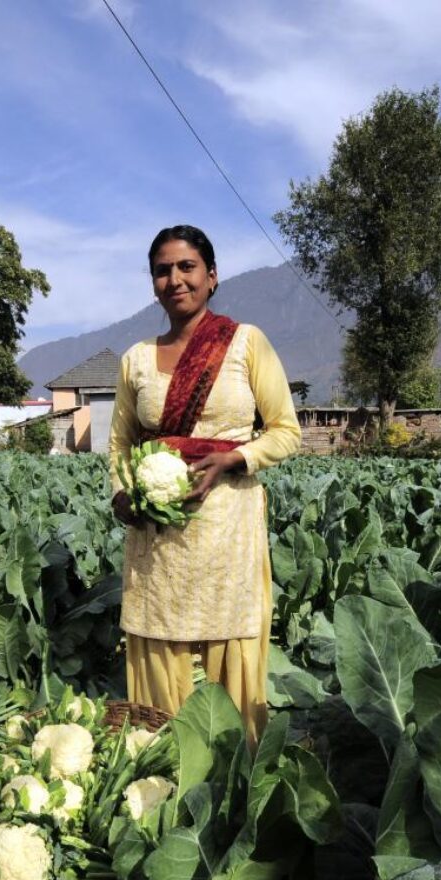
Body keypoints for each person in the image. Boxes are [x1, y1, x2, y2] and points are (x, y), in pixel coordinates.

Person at [108, 225, 301, 742]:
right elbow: (120, 446)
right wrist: (122, 496)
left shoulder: (245, 342)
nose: (175, 279)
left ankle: (234, 777)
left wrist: (232, 459)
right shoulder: (135, 360)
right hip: (157, 544)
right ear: (153, 282)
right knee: (158, 642)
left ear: (212, 277)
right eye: (162, 270)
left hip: (226, 533)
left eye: (186, 267)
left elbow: (286, 432)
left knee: (227, 647)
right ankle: (160, 773)